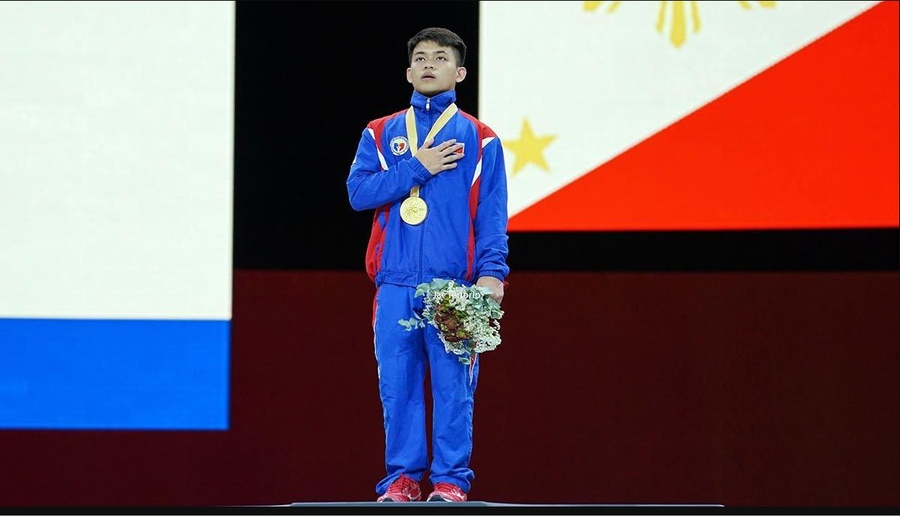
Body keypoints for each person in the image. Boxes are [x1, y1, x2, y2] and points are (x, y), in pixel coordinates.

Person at [346, 27, 509, 503]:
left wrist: (492, 273)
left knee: (454, 388)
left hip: (453, 286)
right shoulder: (380, 133)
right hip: (395, 283)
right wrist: (418, 166)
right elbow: (359, 194)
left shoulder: (482, 138)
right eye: (420, 58)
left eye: (440, 57)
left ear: (459, 72)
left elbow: (491, 214)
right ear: (408, 72)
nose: (429, 64)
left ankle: (450, 483)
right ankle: (400, 481)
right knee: (398, 390)